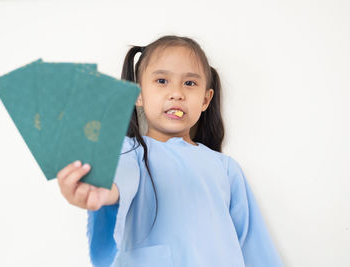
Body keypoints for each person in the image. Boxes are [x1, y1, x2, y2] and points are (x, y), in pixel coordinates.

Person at [56, 35, 284, 267]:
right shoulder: (129, 153)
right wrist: (101, 188)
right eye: (162, 81)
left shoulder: (225, 168)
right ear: (138, 94)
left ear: (205, 100)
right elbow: (118, 177)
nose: (177, 93)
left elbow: (253, 244)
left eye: (190, 83)